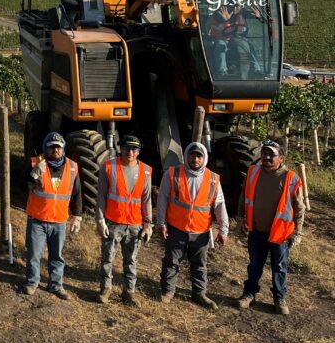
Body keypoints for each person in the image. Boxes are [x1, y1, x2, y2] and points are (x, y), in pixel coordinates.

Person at [155, 141, 229, 310]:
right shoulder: (172, 174)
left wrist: (223, 231)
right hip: (176, 228)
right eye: (192, 155)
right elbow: (162, 199)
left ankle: (199, 294)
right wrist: (161, 223)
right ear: (187, 155)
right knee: (171, 262)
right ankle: (168, 291)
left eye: (199, 156)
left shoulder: (213, 179)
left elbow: (220, 206)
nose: (195, 159)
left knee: (199, 265)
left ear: (204, 158)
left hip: (201, 231)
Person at [236, 141, 306, 315]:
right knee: (255, 265)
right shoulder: (253, 172)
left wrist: (297, 233)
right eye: (264, 153)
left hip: (280, 234)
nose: (266, 157)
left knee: (280, 267)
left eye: (271, 155)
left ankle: (279, 298)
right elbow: (243, 195)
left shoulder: (290, 178)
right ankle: (249, 294)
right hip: (257, 230)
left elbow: (300, 208)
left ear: (280, 158)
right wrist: (240, 218)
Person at [22, 132, 82, 299]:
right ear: (45, 148)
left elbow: (77, 192)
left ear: (63, 149)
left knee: (57, 255)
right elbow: (21, 185)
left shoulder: (72, 167)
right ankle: (32, 282)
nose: (56, 150)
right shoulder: (35, 162)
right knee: (34, 254)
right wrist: (34, 173)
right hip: (37, 219)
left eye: (59, 147)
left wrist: (77, 215)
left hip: (59, 220)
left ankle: (56, 285)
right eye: (52, 147)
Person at [95, 135, 152, 306]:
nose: (130, 152)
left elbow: (146, 199)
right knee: (107, 258)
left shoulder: (145, 170)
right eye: (127, 148)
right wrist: (100, 220)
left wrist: (147, 224)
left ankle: (129, 292)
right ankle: (106, 289)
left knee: (131, 260)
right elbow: (101, 196)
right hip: (113, 222)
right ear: (121, 149)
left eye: (134, 149)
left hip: (134, 224)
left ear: (139, 151)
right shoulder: (109, 167)